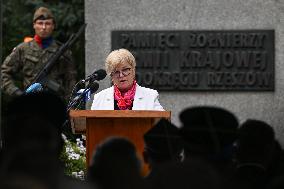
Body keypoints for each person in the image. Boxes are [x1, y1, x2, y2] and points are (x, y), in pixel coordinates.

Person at [1, 6, 77, 100]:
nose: (43, 27)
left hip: (55, 105)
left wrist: (69, 106)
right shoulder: (23, 49)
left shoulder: (63, 51)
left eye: (47, 23)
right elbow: (4, 73)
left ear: (53, 26)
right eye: (40, 23)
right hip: (30, 103)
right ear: (34, 25)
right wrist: (17, 93)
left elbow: (70, 81)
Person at [91, 48, 164, 110]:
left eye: (125, 70)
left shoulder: (150, 96)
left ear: (133, 71)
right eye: (116, 72)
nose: (121, 75)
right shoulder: (99, 98)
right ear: (111, 76)